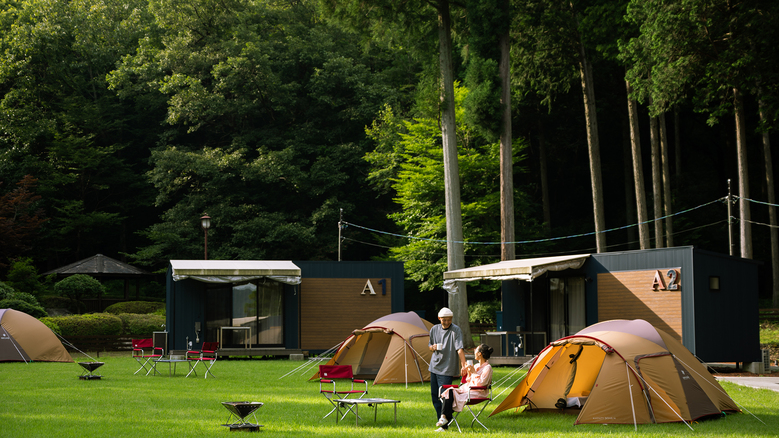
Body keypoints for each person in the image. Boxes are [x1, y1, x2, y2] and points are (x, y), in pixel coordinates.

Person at [436, 343, 494, 431]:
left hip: (477, 392)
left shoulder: (487, 368)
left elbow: (482, 384)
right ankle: (443, 419)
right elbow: (469, 381)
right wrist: (469, 372)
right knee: (450, 392)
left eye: (476, 350)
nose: (474, 351)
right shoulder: (477, 365)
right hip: (468, 390)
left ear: (480, 353)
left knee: (451, 395)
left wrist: (474, 372)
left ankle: (444, 424)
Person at [428, 307, 466, 427]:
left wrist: (463, 365)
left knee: (445, 396)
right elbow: (429, 345)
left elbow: (460, 349)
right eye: (444, 320)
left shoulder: (456, 330)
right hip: (434, 366)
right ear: (439, 318)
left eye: (449, 320)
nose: (446, 322)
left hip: (447, 368)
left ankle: (445, 421)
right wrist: (432, 347)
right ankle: (441, 420)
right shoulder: (434, 329)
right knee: (435, 396)